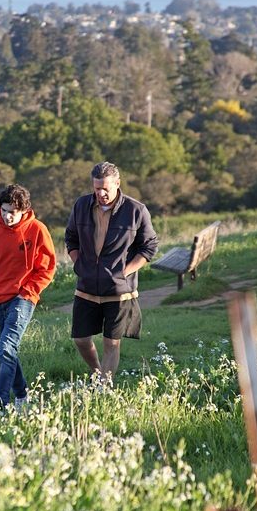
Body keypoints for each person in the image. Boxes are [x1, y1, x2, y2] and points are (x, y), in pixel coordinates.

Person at [65, 161, 158, 383]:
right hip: (86, 288)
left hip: (119, 291)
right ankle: (97, 374)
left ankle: (104, 388)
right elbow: (71, 238)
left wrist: (125, 272)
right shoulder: (81, 205)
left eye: (106, 188)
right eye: (97, 188)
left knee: (111, 343)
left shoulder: (137, 210)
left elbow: (150, 246)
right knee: (80, 338)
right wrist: (79, 265)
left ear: (117, 183)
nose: (101, 193)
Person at [0, 184, 56, 411]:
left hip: (22, 297)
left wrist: (29, 292)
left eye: (13, 212)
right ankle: (22, 396)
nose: (8, 216)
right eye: (4, 210)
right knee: (4, 350)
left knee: (6, 348)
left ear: (24, 210)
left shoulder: (37, 230)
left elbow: (47, 268)